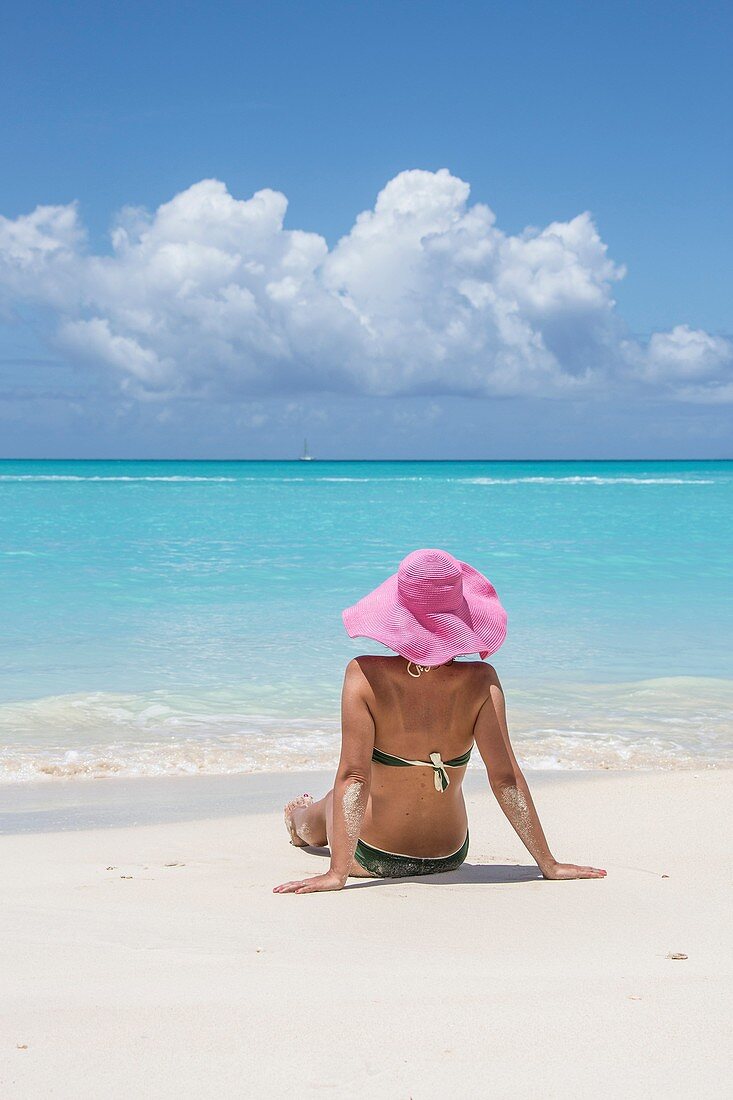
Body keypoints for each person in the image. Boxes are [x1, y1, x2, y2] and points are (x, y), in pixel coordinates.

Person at [274, 548, 606, 894]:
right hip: (448, 854)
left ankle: (298, 821)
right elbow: (506, 779)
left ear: (397, 613)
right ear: (460, 615)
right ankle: (304, 816)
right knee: (341, 798)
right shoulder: (481, 681)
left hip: (373, 856)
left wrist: (336, 874)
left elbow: (354, 777)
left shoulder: (363, 676)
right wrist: (547, 863)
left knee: (327, 806)